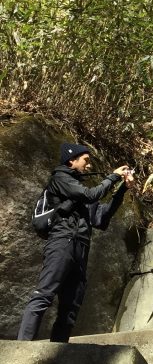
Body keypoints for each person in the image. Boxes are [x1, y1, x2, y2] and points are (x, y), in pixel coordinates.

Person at [17, 143, 134, 343]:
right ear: (72, 160)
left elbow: (101, 218)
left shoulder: (80, 191)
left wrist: (123, 188)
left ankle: (57, 353)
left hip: (81, 247)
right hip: (62, 241)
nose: (89, 166)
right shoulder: (61, 179)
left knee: (71, 307)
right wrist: (113, 176)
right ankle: (22, 348)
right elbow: (90, 195)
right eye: (86, 161)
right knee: (44, 294)